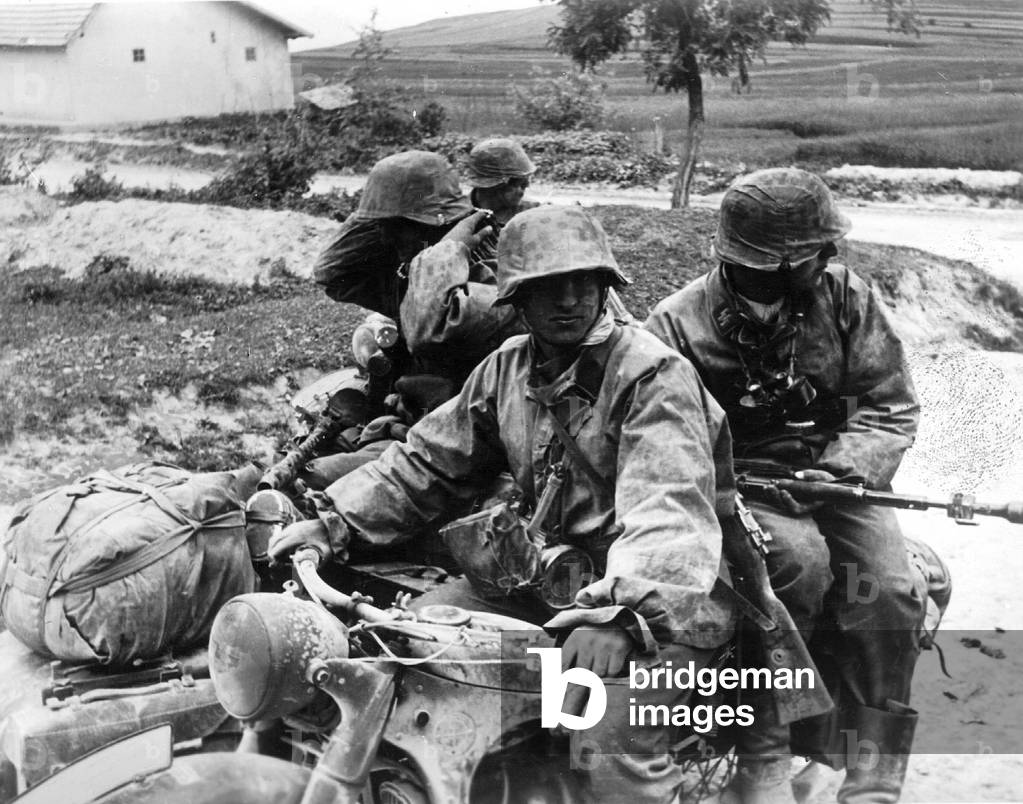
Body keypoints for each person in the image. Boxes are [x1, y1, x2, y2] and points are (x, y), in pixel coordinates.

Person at [271, 205, 735, 804]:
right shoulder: (507, 367)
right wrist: (332, 524)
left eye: (583, 282)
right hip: (544, 580)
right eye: (547, 287)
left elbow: (668, 505)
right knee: (408, 652)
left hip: (663, 600)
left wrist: (622, 616)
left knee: (605, 734)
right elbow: (428, 462)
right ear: (516, 297)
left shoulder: (652, 377)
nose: (569, 299)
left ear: (604, 286)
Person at [645, 168, 927, 804]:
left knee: (891, 589)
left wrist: (838, 471)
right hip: (739, 484)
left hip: (838, 474)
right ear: (769, 262)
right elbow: (666, 439)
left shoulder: (846, 296)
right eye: (815, 250)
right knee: (794, 569)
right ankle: (764, 750)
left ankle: (873, 770)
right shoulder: (674, 326)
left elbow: (886, 404)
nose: (831, 256)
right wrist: (731, 482)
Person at [303, 150, 525, 487]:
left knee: (315, 482)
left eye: (398, 228)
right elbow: (331, 271)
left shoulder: (489, 269)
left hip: (457, 445)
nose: (387, 239)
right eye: (383, 228)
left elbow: (429, 328)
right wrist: (378, 209)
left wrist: (445, 250)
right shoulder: (411, 267)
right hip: (410, 426)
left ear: (436, 224)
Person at [464, 137, 538, 227]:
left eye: (525, 181)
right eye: (517, 182)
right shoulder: (457, 217)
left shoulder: (532, 214)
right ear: (491, 186)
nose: (525, 187)